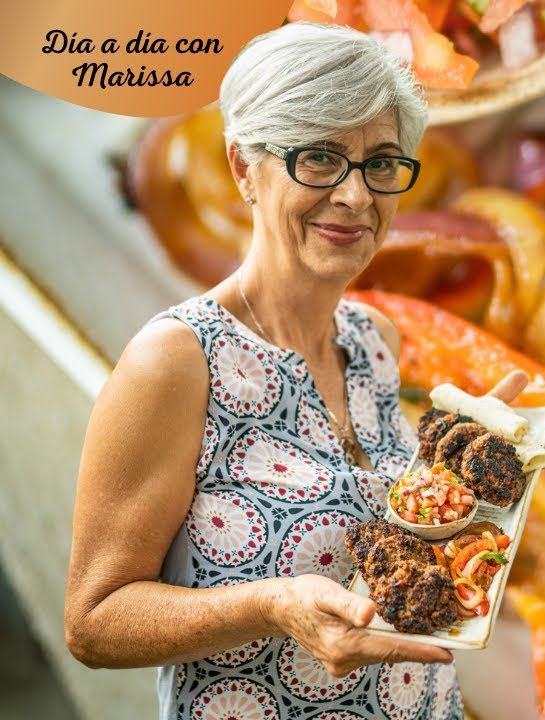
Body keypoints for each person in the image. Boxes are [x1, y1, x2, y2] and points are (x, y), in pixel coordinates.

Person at [63, 22, 518, 719]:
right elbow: (95, 621)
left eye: (382, 164)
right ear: (244, 167)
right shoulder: (179, 360)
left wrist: (476, 483)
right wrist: (274, 605)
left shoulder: (376, 341)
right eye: (319, 159)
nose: (357, 197)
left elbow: (390, 549)